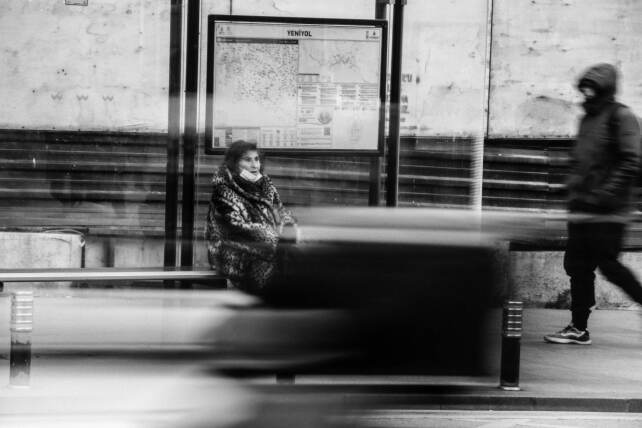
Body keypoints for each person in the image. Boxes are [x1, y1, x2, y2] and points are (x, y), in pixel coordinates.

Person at [545, 63, 642, 345]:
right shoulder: (587, 118)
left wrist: (605, 194)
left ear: (605, 89)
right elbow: (582, 161)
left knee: (609, 265)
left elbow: (632, 161)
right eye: (584, 87)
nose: (587, 92)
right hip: (582, 207)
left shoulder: (621, 117)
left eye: (593, 88)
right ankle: (578, 328)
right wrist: (570, 187)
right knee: (578, 266)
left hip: (608, 211)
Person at [205, 140, 296, 294]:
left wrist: (289, 233)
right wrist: (276, 240)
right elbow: (236, 228)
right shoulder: (223, 190)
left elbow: (281, 213)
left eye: (257, 159)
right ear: (234, 163)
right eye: (247, 160)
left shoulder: (266, 186)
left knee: (299, 261)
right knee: (274, 269)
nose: (255, 165)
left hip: (267, 249)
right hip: (232, 252)